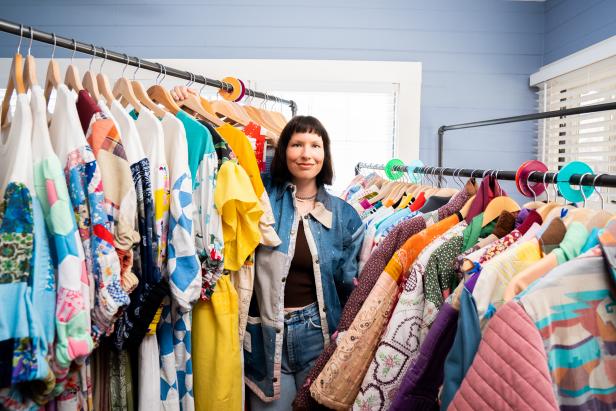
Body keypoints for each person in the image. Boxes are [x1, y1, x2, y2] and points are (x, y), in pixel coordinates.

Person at [172, 87, 364, 410]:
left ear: (325, 154)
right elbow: (223, 155)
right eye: (297, 144)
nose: (306, 154)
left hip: (317, 333)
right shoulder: (261, 195)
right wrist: (186, 108)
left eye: (315, 145)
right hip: (265, 334)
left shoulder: (345, 215)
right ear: (284, 150)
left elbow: (349, 286)